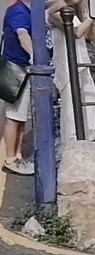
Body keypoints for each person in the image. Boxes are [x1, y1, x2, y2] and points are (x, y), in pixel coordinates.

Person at [47, 0, 95, 145]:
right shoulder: (53, 14)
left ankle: (89, 132)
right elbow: (77, 33)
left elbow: (87, 35)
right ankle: (72, 137)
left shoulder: (71, 12)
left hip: (80, 59)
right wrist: (92, 16)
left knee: (90, 94)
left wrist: (86, 12)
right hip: (67, 61)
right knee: (70, 100)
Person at [1, 0, 34, 176]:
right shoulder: (19, 12)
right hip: (16, 71)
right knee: (13, 117)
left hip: (20, 70)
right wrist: (34, 55)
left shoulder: (24, 9)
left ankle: (17, 156)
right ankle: (10, 159)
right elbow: (22, 35)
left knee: (20, 117)